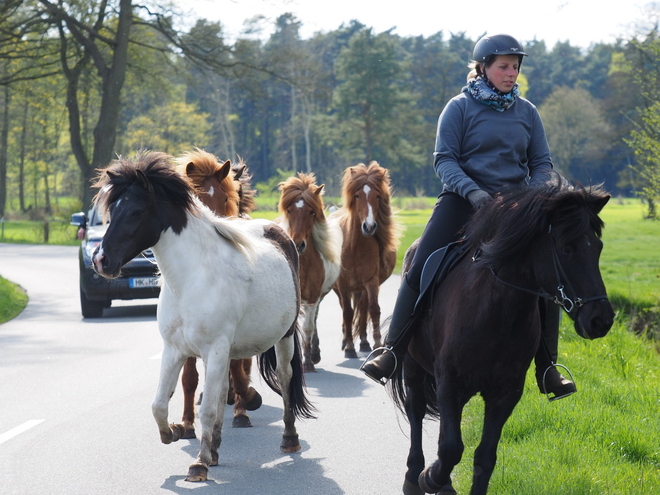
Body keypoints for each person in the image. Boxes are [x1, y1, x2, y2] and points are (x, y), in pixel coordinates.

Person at [361, 33, 576, 400]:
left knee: (544, 273)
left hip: (515, 209)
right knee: (421, 262)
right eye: (504, 66)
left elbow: (542, 164)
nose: (512, 73)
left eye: (516, 67)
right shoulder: (458, 108)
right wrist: (474, 193)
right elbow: (444, 159)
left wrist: (529, 197)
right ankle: (392, 349)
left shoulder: (527, 112)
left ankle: (549, 367)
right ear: (483, 68)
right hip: (463, 201)